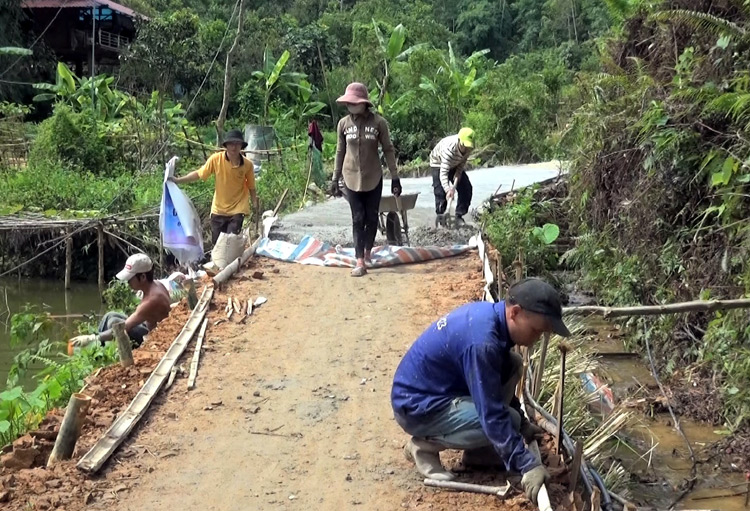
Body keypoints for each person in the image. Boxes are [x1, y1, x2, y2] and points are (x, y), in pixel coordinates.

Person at [391, 278, 571, 502]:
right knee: (508, 421)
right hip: (417, 407)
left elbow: (494, 382)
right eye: (536, 330)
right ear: (515, 313)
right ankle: (422, 446)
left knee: (512, 364)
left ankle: (480, 453)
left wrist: (524, 426)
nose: (537, 339)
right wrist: (529, 466)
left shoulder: (492, 318)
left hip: (438, 390)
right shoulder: (483, 343)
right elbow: (492, 413)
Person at [330, 82, 401, 277]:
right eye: (348, 103)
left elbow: (388, 149)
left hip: (373, 177)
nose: (350, 106)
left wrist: (395, 177)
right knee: (357, 217)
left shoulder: (379, 123)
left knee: (371, 217)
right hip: (350, 176)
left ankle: (368, 251)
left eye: (354, 102)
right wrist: (335, 178)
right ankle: (359, 260)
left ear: (364, 104)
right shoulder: (343, 124)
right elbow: (340, 150)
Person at [169, 129, 259, 246]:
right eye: (231, 143)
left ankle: (231, 261)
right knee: (217, 243)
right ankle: (219, 263)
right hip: (219, 208)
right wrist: (179, 180)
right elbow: (199, 174)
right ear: (226, 145)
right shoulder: (216, 160)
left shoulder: (247, 165)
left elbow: (251, 185)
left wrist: (254, 202)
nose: (234, 147)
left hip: (238, 207)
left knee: (231, 240)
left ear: (241, 145)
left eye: (237, 143)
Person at [70, 254, 172, 350]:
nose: (128, 282)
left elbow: (123, 328)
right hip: (147, 326)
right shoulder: (157, 284)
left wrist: (91, 338)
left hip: (152, 337)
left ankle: (97, 344)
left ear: (143, 277)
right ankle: (100, 346)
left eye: (130, 279)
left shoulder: (152, 300)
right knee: (110, 315)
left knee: (114, 323)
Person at [429, 128, 475, 225]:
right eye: (464, 146)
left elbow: (463, 161)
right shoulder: (449, 149)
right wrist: (448, 190)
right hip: (438, 163)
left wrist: (458, 172)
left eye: (468, 146)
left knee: (466, 188)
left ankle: (459, 215)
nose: (466, 149)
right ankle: (441, 218)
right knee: (440, 193)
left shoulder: (469, 147)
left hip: (455, 164)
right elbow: (443, 172)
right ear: (459, 141)